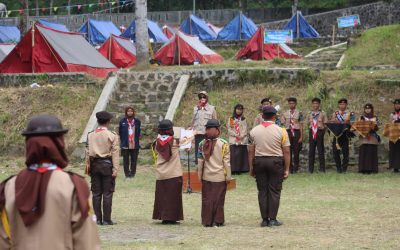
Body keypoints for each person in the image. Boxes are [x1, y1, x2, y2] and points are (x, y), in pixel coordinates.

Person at [0, 115, 100, 249]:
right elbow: (86, 242)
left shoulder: (7, 188)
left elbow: (3, 241)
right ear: (59, 144)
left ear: (28, 144)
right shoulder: (73, 186)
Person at [249, 106, 291, 227]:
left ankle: (264, 219)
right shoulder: (281, 130)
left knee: (262, 191)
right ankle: (272, 219)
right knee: (274, 190)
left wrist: (251, 168)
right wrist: (287, 169)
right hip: (275, 162)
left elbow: (250, 152)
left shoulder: (254, 130)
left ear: (262, 116)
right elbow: (286, 151)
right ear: (275, 117)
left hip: (259, 162)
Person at [151, 120, 197, 225]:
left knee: (162, 196)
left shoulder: (157, 141)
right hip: (173, 173)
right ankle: (171, 217)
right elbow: (185, 140)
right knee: (173, 196)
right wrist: (193, 133)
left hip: (161, 173)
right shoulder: (175, 142)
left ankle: (162, 216)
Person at [86, 111, 119, 225]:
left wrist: (88, 169)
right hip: (107, 165)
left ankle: (97, 219)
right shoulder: (112, 135)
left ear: (97, 121)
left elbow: (87, 153)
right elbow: (115, 154)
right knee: (107, 193)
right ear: (109, 122)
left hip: (94, 165)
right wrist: (115, 170)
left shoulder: (90, 135)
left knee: (96, 193)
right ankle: (106, 219)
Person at [198, 119, 231, 227]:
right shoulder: (224, 144)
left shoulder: (201, 144)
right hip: (220, 176)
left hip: (207, 175)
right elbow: (226, 162)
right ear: (218, 129)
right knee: (219, 199)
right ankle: (218, 220)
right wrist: (228, 176)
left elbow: (200, 162)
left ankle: (207, 221)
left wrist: (200, 176)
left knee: (207, 199)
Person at [191, 91, 217, 165]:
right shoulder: (196, 108)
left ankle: (208, 164)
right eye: (200, 97)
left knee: (207, 149)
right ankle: (198, 164)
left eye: (204, 97)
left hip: (207, 133)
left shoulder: (212, 108)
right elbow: (192, 121)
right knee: (198, 149)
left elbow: (215, 121)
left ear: (207, 97)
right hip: (198, 133)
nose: (202, 98)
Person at [330, 98, 355, 174]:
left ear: (346, 105)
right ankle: (338, 167)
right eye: (340, 104)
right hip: (337, 135)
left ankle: (344, 168)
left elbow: (352, 124)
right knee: (335, 151)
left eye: (343, 104)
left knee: (345, 152)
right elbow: (333, 123)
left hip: (346, 135)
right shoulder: (335, 113)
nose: (341, 106)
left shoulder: (351, 114)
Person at [305, 98, 328, 173]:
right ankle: (310, 169)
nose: (315, 105)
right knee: (311, 151)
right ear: (312, 104)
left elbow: (325, 125)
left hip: (319, 132)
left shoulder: (323, 113)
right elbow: (308, 124)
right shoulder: (309, 113)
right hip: (312, 132)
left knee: (320, 150)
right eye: (314, 103)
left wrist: (321, 133)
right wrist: (312, 131)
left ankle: (322, 169)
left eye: (317, 103)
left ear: (319, 104)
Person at [280, 97, 303, 174]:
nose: (291, 105)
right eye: (290, 103)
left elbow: (301, 125)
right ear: (288, 104)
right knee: (287, 151)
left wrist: (301, 136)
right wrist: (283, 136)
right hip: (287, 133)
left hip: (296, 132)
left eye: (293, 103)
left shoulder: (299, 113)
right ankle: (289, 167)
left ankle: (295, 168)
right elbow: (283, 126)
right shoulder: (284, 113)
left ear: (296, 104)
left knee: (296, 151)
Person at [119, 106, 141, 179]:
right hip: (125, 144)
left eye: (131, 111)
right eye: (128, 111)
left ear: (133, 112)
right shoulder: (122, 121)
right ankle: (127, 174)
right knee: (126, 160)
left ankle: (132, 174)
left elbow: (138, 133)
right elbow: (120, 132)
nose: (130, 112)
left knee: (134, 159)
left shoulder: (137, 121)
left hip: (134, 144)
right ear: (126, 112)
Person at [358, 104, 381, 174]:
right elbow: (358, 125)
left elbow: (378, 126)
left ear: (371, 110)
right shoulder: (361, 118)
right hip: (364, 138)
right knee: (364, 153)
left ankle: (373, 169)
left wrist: (373, 127)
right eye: (366, 109)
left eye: (369, 109)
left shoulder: (375, 118)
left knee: (372, 153)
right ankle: (363, 169)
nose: (367, 110)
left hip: (372, 137)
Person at [227, 104, 250, 174]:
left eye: (240, 110)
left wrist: (241, 137)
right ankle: (233, 169)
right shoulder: (231, 119)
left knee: (241, 154)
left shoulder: (243, 119)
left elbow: (245, 129)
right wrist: (236, 135)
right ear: (235, 110)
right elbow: (229, 129)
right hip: (233, 139)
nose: (239, 111)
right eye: (238, 109)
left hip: (242, 139)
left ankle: (242, 169)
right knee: (234, 155)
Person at [389, 99, 400, 173]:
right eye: (395, 104)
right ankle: (395, 167)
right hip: (395, 134)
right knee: (395, 151)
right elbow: (390, 123)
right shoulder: (392, 114)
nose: (397, 105)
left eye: (398, 104)